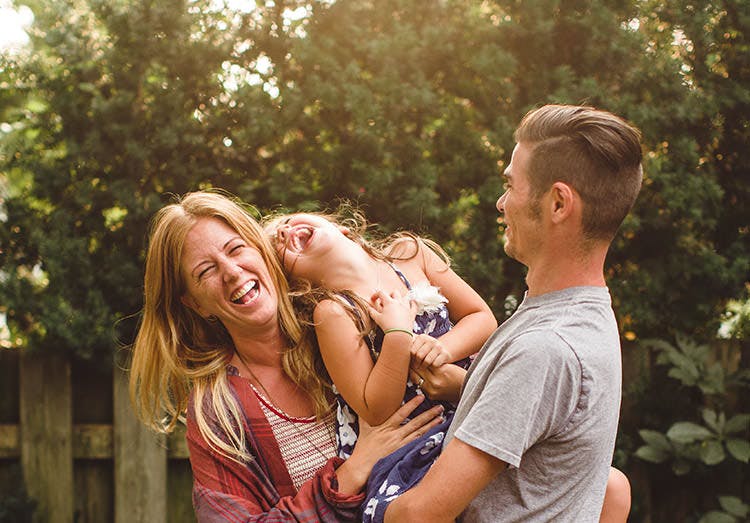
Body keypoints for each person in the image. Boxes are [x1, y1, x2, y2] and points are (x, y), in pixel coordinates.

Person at [384, 104, 643, 522]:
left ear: (558, 203)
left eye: (511, 185)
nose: (501, 203)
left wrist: (356, 473)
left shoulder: (546, 348)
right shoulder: (583, 317)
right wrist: (467, 389)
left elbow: (415, 517)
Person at [128, 191, 445, 521]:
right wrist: (352, 473)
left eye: (236, 249)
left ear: (260, 249)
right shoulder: (219, 411)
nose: (232, 272)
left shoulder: (344, 319)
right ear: (195, 304)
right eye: (206, 271)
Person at [265, 210, 498, 521]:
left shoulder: (411, 254)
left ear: (342, 229)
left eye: (287, 221)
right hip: (410, 447)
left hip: (470, 412)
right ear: (297, 285)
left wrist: (440, 349)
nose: (284, 230)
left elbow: (481, 317)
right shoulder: (333, 312)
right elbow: (375, 409)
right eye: (277, 243)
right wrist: (398, 335)